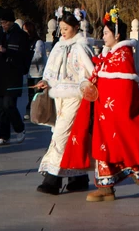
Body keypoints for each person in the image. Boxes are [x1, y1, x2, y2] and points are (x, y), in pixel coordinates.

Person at [87, 18, 139, 202]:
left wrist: (119, 110)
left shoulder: (123, 55)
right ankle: (105, 187)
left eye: (106, 33)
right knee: (103, 148)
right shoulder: (108, 53)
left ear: (117, 35)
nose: (103, 36)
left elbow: (125, 89)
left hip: (117, 112)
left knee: (124, 144)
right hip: (103, 112)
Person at [35, 13, 95, 195]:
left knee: (60, 135)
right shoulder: (59, 47)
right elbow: (51, 71)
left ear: (76, 28)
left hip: (75, 98)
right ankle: (78, 177)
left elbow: (90, 73)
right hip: (59, 98)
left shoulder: (81, 47)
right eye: (61, 29)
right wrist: (45, 81)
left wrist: (83, 86)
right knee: (69, 136)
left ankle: (53, 179)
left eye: (66, 29)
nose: (63, 33)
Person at [0, 9, 31, 146]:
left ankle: (20, 129)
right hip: (0, 74)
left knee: (9, 105)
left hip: (13, 74)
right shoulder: (1, 34)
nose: (3, 25)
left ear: (11, 22)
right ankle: (4, 136)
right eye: (1, 22)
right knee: (1, 107)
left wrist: (7, 52)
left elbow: (24, 55)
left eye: (5, 22)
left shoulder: (21, 36)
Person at [24, 20, 46, 119]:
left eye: (26, 30)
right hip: (30, 73)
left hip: (38, 72)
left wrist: (26, 59)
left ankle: (39, 112)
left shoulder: (38, 42)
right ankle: (31, 111)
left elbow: (39, 56)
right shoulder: (25, 42)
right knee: (30, 93)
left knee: (37, 94)